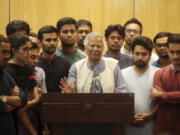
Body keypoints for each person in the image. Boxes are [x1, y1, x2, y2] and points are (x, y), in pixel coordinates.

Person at [60, 32, 127, 93]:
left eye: (99, 46)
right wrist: (70, 93)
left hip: (107, 105)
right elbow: (68, 90)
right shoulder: (76, 67)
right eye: (92, 46)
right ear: (86, 47)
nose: (95, 49)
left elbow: (121, 91)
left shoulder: (113, 65)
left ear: (103, 48)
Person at [121, 36, 159, 135]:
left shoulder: (158, 74)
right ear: (132, 54)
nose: (140, 57)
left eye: (144, 54)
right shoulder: (122, 74)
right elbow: (117, 101)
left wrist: (151, 115)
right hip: (127, 126)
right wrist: (127, 117)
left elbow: (163, 102)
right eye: (137, 54)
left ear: (150, 55)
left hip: (151, 126)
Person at [5, 33, 39, 135]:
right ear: (14, 51)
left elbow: (34, 88)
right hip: (17, 118)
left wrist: (35, 100)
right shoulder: (7, 71)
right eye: (25, 49)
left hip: (31, 111)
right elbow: (18, 106)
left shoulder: (27, 68)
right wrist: (32, 102)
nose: (29, 53)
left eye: (30, 49)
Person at [150, 33, 180, 135]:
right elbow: (157, 100)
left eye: (179, 52)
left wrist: (162, 95)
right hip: (163, 128)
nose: (175, 56)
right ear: (167, 51)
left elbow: (159, 96)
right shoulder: (159, 73)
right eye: (172, 52)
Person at [0, 35, 27, 135]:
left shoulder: (4, 74)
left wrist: (4, 98)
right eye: (3, 52)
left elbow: (23, 98)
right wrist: (14, 101)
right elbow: (3, 107)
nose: (7, 56)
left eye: (8, 52)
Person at [37, 25, 71, 93]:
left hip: (60, 102)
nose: (52, 43)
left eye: (55, 40)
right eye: (48, 40)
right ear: (40, 42)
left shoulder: (65, 63)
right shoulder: (35, 63)